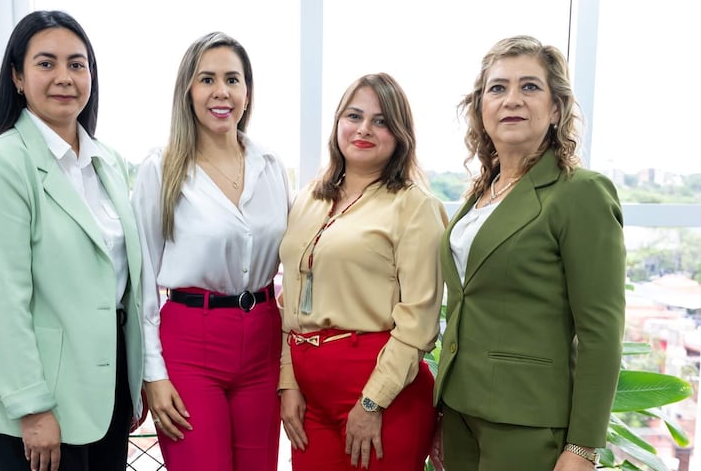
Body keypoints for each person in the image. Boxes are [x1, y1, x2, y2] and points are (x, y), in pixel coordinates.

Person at [0, 10, 145, 471]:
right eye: (46, 64)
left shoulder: (109, 163)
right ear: (18, 77)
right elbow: (1, 301)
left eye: (77, 64)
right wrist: (31, 406)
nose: (64, 77)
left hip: (106, 393)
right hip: (40, 403)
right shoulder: (1, 165)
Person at [432, 35, 626, 471]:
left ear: (556, 108)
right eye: (497, 88)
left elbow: (601, 332)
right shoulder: (481, 194)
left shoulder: (581, 194)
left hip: (528, 420)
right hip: (461, 411)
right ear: (481, 108)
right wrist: (444, 411)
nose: (511, 100)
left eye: (530, 87)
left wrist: (582, 448)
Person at [130, 31, 290, 471]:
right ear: (188, 90)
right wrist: (153, 374)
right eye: (207, 79)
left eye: (232, 79)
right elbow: (140, 283)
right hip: (190, 344)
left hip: (262, 341)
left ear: (248, 91)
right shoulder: (159, 170)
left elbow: (294, 266)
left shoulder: (271, 167)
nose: (221, 91)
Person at [278, 72, 448, 471]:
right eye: (354, 116)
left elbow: (419, 323)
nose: (365, 129)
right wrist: (288, 383)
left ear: (400, 133)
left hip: (383, 394)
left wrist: (373, 401)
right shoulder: (308, 198)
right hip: (309, 396)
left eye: (382, 120)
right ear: (338, 123)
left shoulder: (414, 205)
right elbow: (290, 298)